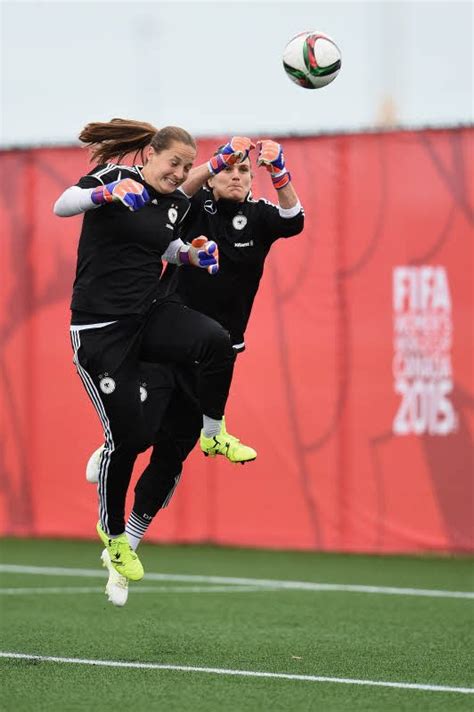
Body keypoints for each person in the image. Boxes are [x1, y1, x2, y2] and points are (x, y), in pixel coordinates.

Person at [86, 136, 305, 605]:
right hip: (168, 338)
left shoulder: (262, 215)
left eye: (244, 172)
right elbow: (179, 190)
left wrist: (281, 171)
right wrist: (215, 161)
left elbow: (296, 219)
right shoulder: (197, 200)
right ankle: (113, 450)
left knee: (170, 456)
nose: (236, 177)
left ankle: (125, 553)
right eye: (230, 170)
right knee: (138, 432)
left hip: (214, 355)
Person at [53, 119, 257, 583]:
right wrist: (104, 196)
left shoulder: (175, 202)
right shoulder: (115, 179)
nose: (179, 172)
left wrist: (191, 253)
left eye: (186, 166)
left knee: (215, 342)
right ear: (150, 155)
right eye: (174, 163)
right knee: (129, 441)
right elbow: (62, 204)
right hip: (100, 331)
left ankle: (213, 431)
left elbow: (161, 246)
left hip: (145, 318)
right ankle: (114, 536)